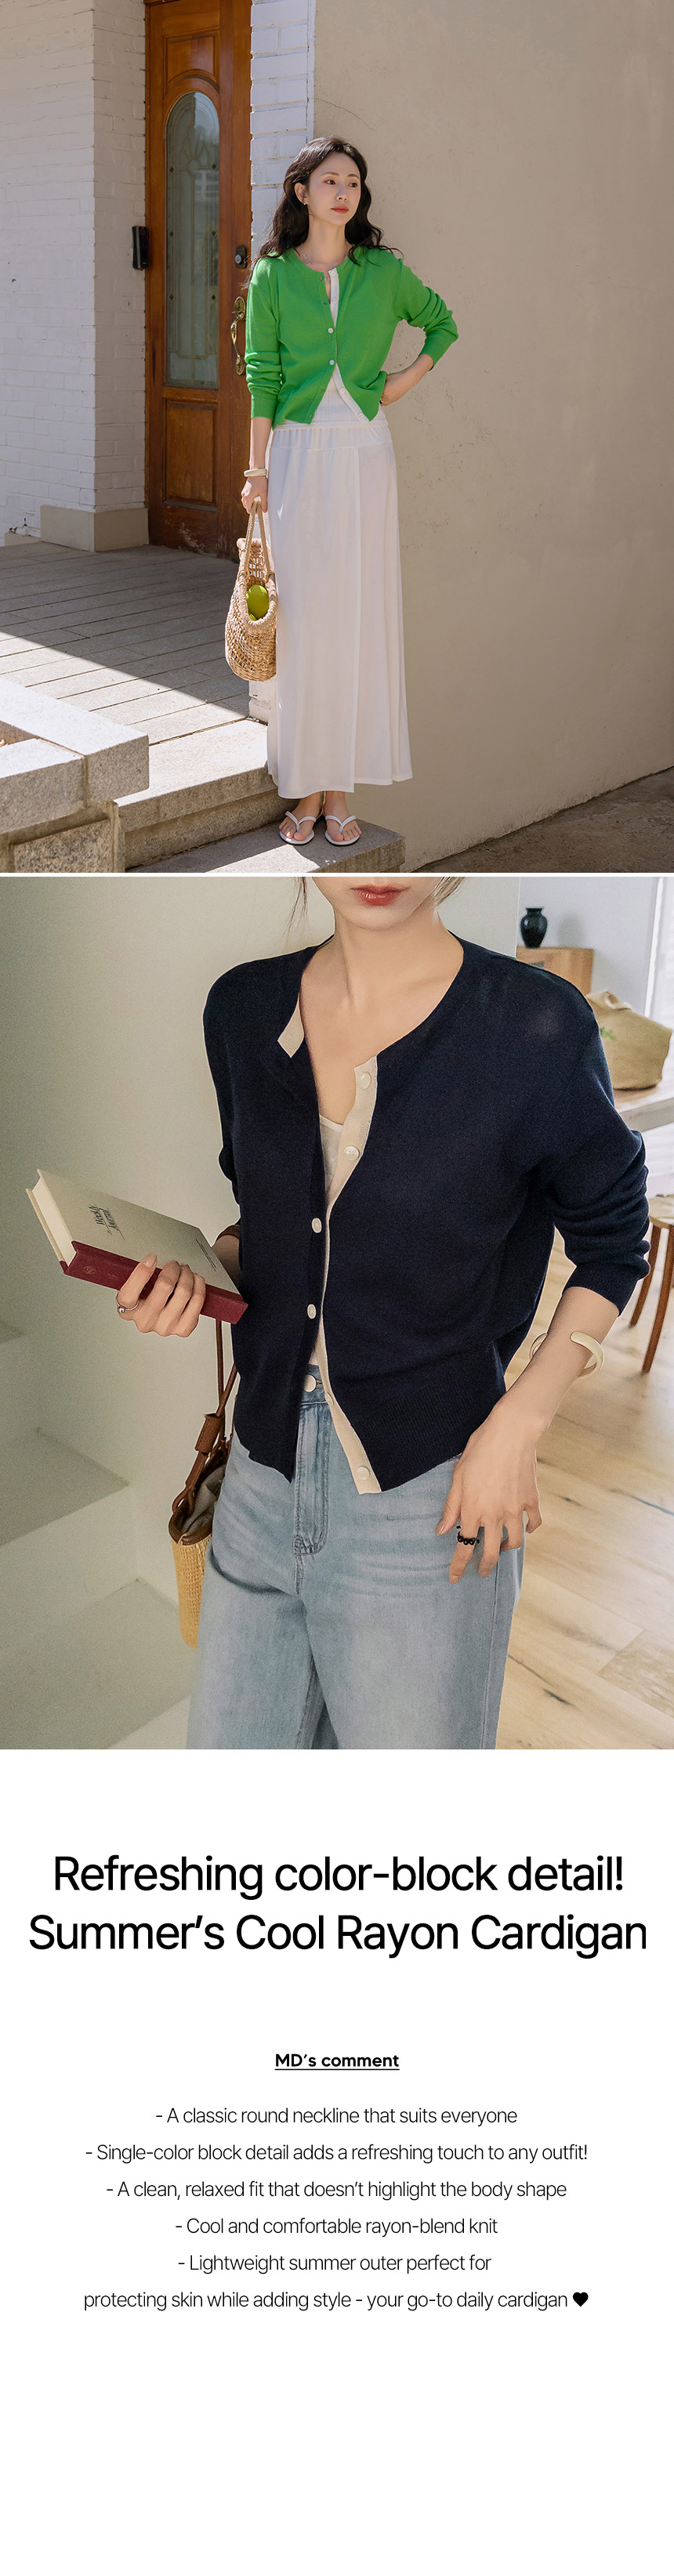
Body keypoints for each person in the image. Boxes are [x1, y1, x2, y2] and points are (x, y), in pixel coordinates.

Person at [117, 877, 650, 1753]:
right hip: (256, 1485)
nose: (383, 864)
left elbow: (613, 1243)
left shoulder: (535, 1026)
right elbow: (267, 1230)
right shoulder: (241, 1010)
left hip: (431, 1501)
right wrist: (193, 1276)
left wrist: (518, 1423)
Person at [241, 136, 458, 848]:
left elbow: (442, 323)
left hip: (364, 452)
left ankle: (336, 791)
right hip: (297, 454)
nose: (343, 192)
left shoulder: (382, 271)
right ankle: (307, 783)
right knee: (306, 617)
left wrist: (398, 384)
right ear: (302, 192)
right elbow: (262, 376)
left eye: (353, 183)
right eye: (330, 180)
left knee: (357, 613)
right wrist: (256, 471)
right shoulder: (273, 276)